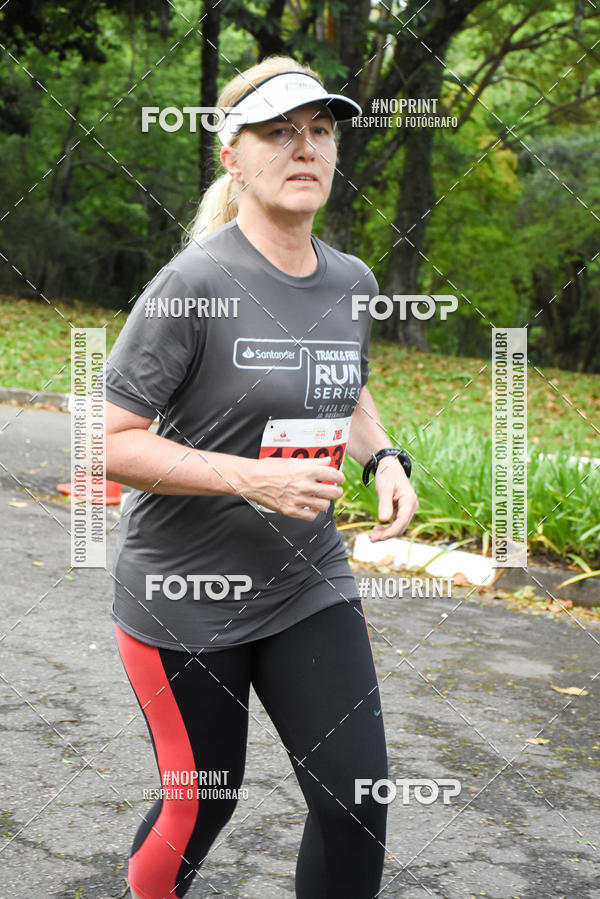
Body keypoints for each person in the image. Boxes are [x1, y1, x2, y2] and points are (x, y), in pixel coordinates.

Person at [104, 54, 418, 899]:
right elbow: (110, 443)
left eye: (319, 131)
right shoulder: (192, 284)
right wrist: (254, 478)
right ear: (231, 157)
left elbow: (341, 385)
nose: (304, 147)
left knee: (357, 797)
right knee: (204, 799)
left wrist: (382, 457)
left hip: (305, 577)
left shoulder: (350, 282)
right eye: (278, 132)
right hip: (184, 594)